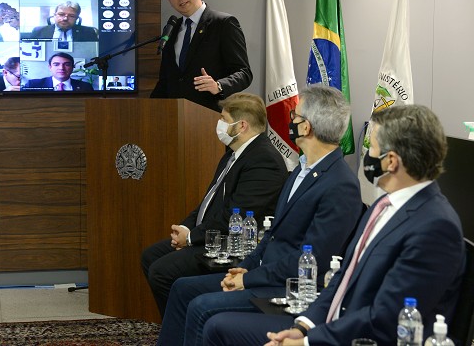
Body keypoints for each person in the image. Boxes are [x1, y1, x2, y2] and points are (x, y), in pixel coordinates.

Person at [203, 104, 466, 346]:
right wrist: (303, 326)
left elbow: (386, 316)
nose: (368, 156)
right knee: (219, 327)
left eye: (372, 148)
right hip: (330, 323)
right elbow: (344, 276)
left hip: (357, 338)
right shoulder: (383, 205)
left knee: (218, 325)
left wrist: (308, 342)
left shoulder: (435, 227)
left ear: (391, 161)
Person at [157, 84, 364, 346]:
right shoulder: (300, 170)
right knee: (182, 288)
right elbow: (273, 234)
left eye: (294, 116)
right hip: (264, 273)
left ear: (306, 127)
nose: (290, 121)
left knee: (201, 307)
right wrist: (247, 265)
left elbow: (312, 259)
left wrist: (248, 279)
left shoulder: (340, 184)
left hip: (287, 288)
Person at [141, 93, 289, 318]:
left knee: (162, 272)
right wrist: (185, 229)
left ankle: (185, 327)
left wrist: (191, 239)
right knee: (151, 256)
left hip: (232, 245)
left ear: (241, 125)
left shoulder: (264, 160)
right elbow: (208, 202)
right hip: (210, 235)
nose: (219, 124)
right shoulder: (232, 154)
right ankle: (177, 324)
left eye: (223, 119)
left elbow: (235, 217)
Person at [150, 0, 253, 112]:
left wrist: (218, 85)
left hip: (209, 115)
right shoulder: (171, 30)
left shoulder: (223, 24)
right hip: (174, 117)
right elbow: (165, 82)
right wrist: (147, 111)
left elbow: (244, 73)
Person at [27, 1, 98, 41]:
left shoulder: (89, 32)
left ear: (77, 18)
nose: (65, 19)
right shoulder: (38, 31)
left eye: (71, 16)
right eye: (61, 14)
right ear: (54, 15)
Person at [23, 53, 93, 91]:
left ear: (72, 67)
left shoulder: (86, 87)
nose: (61, 68)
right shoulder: (32, 85)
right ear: (50, 67)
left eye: (67, 64)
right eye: (56, 64)